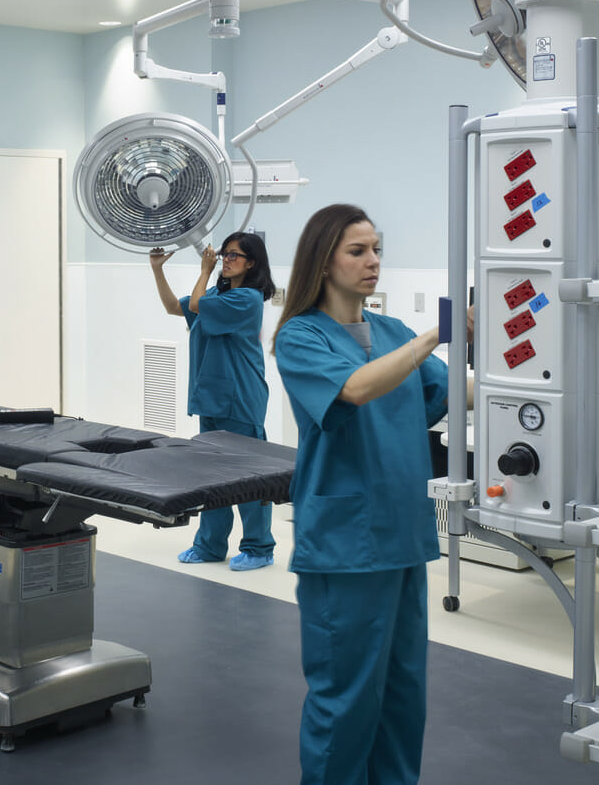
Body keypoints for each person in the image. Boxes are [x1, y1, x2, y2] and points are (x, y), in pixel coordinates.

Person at [273, 204, 468, 785]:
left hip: (404, 535)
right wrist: (440, 331)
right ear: (323, 261)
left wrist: (551, 382)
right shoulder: (301, 336)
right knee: (347, 699)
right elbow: (355, 388)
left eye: (377, 249)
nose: (373, 262)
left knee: (405, 695)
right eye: (357, 251)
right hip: (345, 544)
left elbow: (456, 388)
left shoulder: (391, 334)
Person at [150, 230, 276, 571]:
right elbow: (173, 307)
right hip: (212, 396)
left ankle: (259, 547)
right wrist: (157, 268)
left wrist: (205, 270)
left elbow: (195, 303)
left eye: (233, 255)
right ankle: (210, 545)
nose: (225, 259)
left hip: (241, 397)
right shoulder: (216, 298)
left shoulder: (247, 299)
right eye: (224, 254)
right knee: (211, 475)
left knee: (248, 476)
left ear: (251, 263)